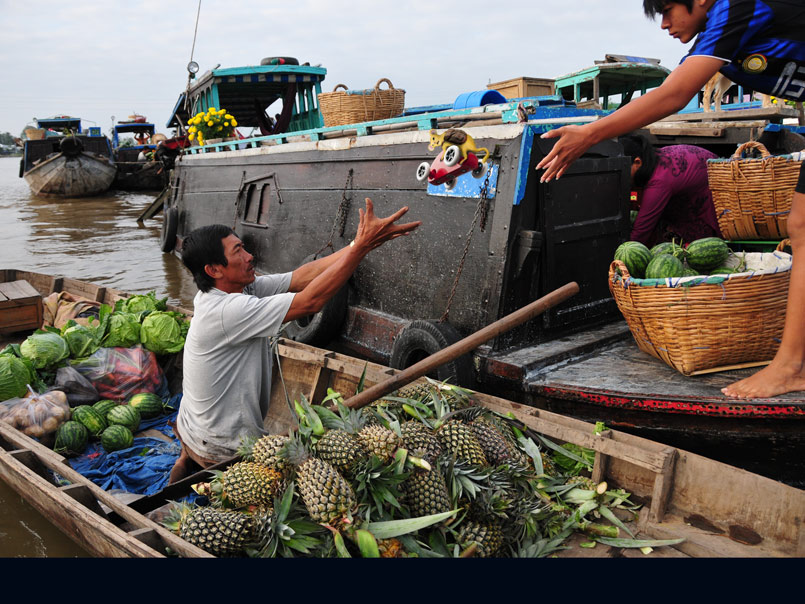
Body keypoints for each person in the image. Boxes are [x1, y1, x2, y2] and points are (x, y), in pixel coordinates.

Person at [536, 0, 805, 399]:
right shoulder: (719, 33)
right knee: (800, 225)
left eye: (666, 9)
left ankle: (790, 367)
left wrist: (590, 133)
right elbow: (672, 88)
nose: (664, 24)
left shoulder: (736, 8)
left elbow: (674, 94)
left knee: (801, 227)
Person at [168, 198, 420, 483]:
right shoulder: (227, 311)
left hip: (190, 424)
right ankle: (198, 460)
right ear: (214, 270)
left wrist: (360, 245)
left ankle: (186, 456)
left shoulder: (233, 290)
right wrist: (361, 247)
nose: (250, 256)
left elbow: (300, 278)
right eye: (238, 251)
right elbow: (310, 301)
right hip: (222, 445)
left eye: (244, 247)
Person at [619, 134, 720, 247]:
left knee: (704, 247)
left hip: (716, 194)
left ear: (637, 162)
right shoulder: (655, 156)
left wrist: (621, 252)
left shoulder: (659, 182)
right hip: (705, 180)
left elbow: (640, 232)